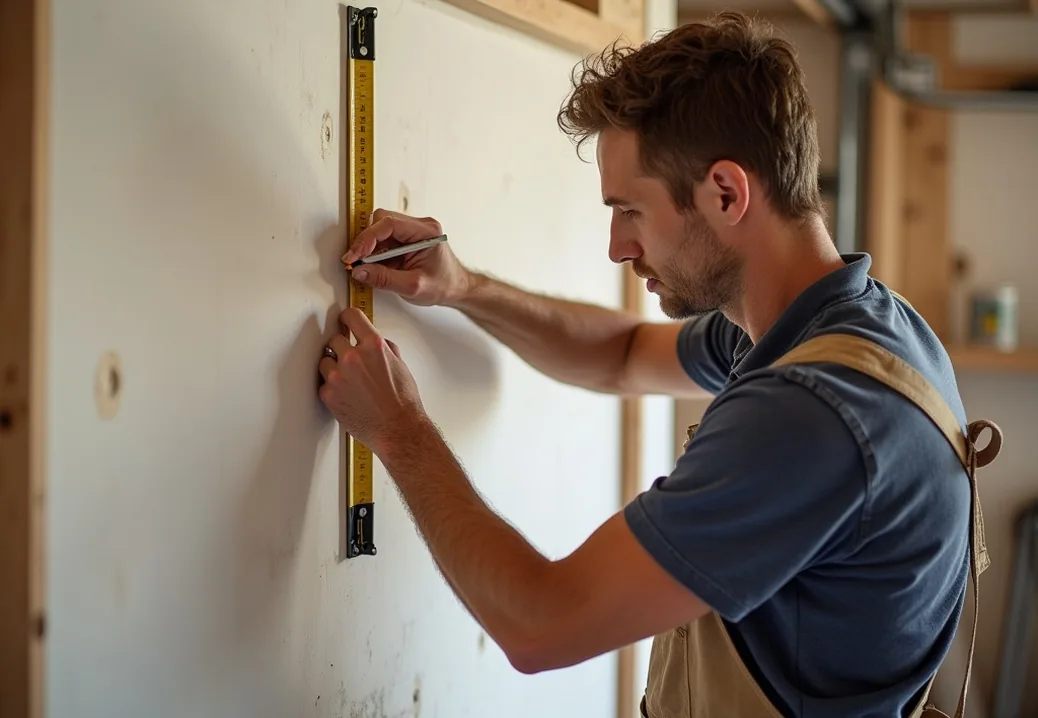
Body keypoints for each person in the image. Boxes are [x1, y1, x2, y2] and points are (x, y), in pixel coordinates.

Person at [317, 11, 1000, 718]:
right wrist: (465, 288)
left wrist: (399, 431)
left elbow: (540, 622)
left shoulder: (813, 414)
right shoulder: (843, 324)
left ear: (726, 193)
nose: (617, 246)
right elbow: (620, 355)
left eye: (630, 211)